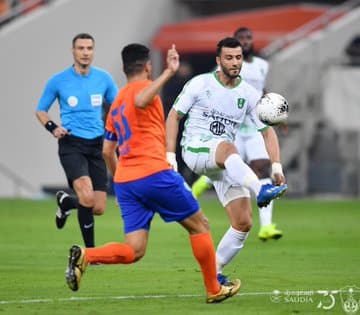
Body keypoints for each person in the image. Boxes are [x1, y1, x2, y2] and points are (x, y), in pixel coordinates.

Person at [64, 43, 241, 303]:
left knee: (134, 250)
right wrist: (169, 72)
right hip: (154, 173)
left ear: (124, 69)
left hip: (127, 181)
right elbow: (141, 100)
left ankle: (86, 255)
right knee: (200, 225)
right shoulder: (143, 92)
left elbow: (106, 151)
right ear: (148, 66)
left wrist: (120, 178)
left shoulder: (116, 103)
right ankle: (214, 289)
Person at [165, 37, 287, 285]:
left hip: (223, 160)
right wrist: (170, 157)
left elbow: (267, 131)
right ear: (218, 60)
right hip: (195, 149)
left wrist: (276, 166)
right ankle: (261, 189)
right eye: (229, 58)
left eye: (238, 58)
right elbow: (173, 117)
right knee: (229, 148)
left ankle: (215, 274)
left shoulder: (249, 94)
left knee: (243, 222)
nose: (235, 62)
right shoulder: (200, 83)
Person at [191, 27, 283, 241]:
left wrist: (273, 115)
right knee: (226, 166)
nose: (246, 41)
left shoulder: (262, 66)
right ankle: (205, 181)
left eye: (248, 38)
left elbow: (262, 91)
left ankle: (266, 226)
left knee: (262, 167)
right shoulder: (224, 65)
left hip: (253, 130)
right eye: (242, 38)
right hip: (231, 129)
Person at [35, 33, 118, 248]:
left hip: (97, 144)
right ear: (73, 51)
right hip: (71, 144)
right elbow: (41, 111)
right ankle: (90, 253)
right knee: (87, 195)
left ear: (93, 51)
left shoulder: (104, 79)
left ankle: (66, 203)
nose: (85, 52)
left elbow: (118, 107)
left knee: (98, 206)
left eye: (89, 48)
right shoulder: (58, 80)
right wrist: (52, 127)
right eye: (81, 48)